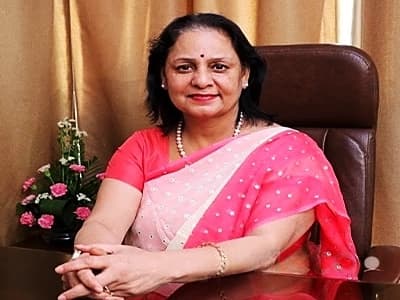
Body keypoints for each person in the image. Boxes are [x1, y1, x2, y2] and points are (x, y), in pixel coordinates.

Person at [55, 12, 360, 300]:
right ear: (163, 77)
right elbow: (105, 223)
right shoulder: (141, 146)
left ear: (245, 76)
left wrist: (156, 268)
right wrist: (88, 262)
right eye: (184, 67)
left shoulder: (289, 151)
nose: (201, 80)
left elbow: (263, 247)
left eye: (219, 67)